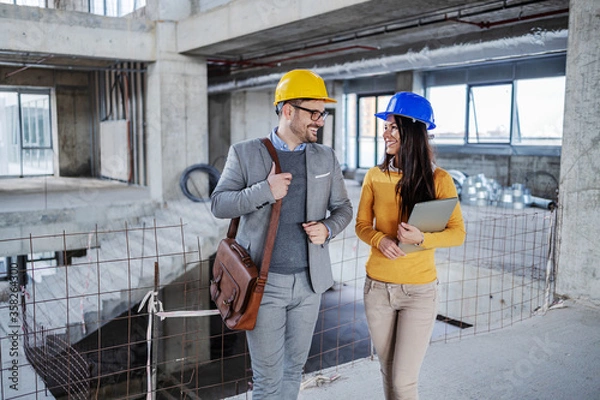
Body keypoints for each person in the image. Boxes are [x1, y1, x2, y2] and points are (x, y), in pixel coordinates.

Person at [211, 69, 353, 399]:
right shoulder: (245, 152)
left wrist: (328, 229)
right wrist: (265, 190)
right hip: (264, 282)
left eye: (323, 113)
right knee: (267, 379)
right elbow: (220, 203)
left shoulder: (325, 157)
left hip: (310, 284)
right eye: (313, 112)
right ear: (288, 110)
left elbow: (344, 208)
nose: (320, 120)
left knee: (293, 371)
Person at [355, 92, 466, 400]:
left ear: (413, 130)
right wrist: (381, 239)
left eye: (392, 126)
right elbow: (361, 225)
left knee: (404, 382)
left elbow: (457, 233)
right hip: (377, 289)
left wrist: (422, 239)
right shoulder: (375, 176)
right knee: (389, 374)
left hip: (419, 292)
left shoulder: (439, 180)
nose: (384, 133)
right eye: (385, 126)